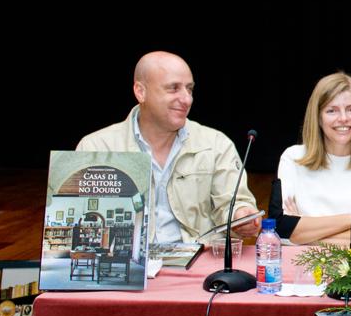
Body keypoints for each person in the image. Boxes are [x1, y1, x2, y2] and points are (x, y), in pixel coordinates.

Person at [76, 51, 261, 244]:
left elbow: (234, 203)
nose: (187, 99)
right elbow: (81, 221)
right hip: (130, 269)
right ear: (141, 92)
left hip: (197, 262)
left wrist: (242, 215)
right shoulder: (97, 148)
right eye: (174, 89)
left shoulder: (215, 145)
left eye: (189, 89)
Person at [273, 72, 351, 245]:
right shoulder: (293, 158)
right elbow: (279, 228)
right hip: (301, 266)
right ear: (318, 117)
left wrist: (303, 232)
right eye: (332, 111)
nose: (344, 118)